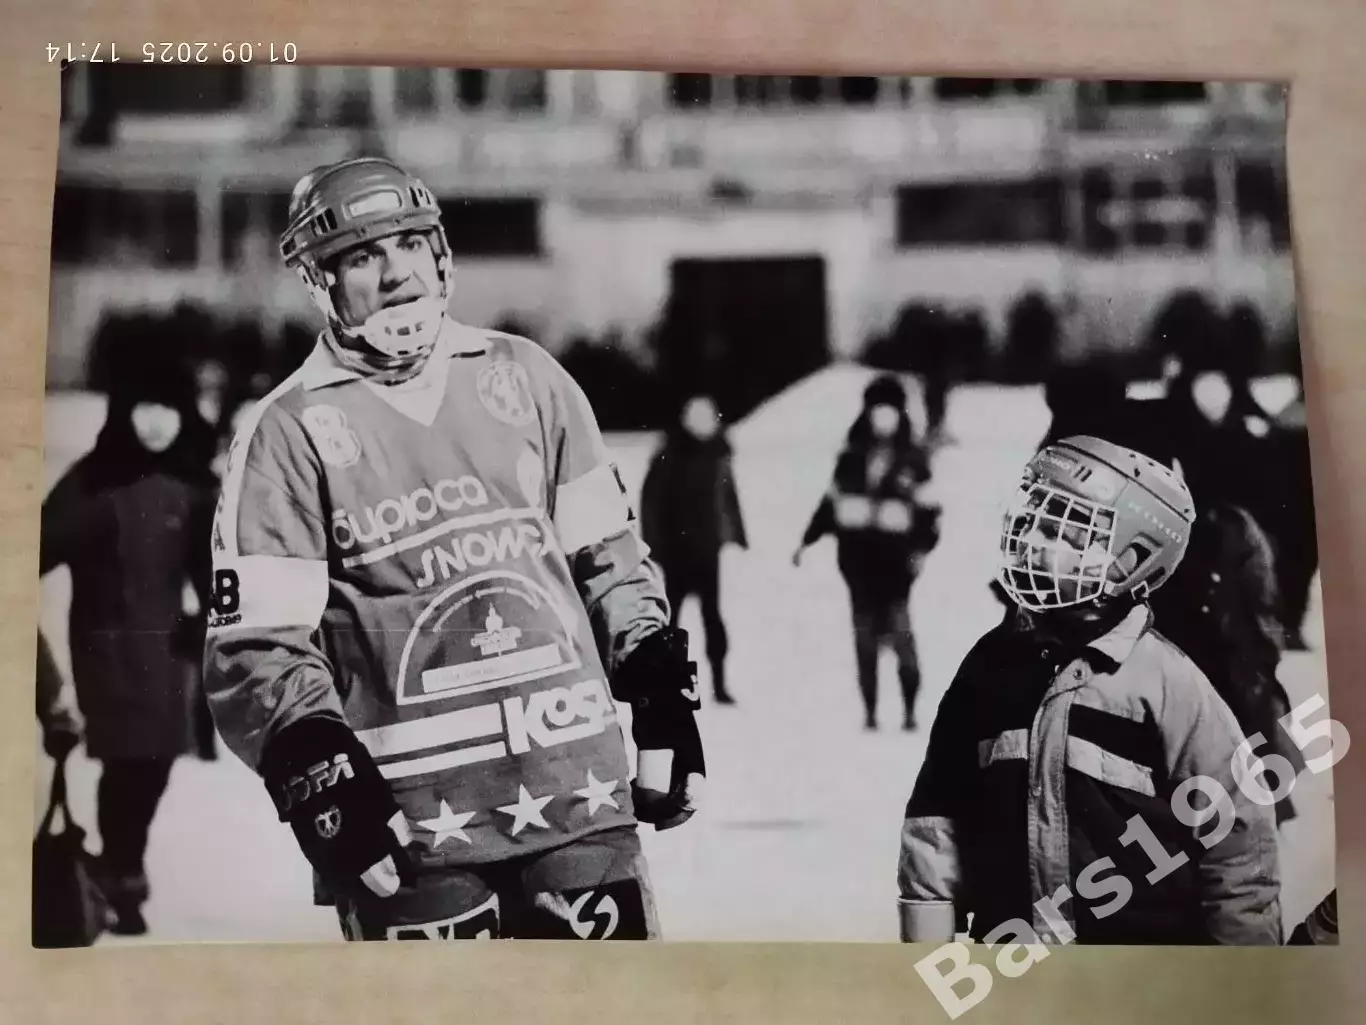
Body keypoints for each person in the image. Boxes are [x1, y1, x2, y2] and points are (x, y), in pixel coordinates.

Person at [202, 157, 705, 943]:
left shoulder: (529, 378)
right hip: (410, 831)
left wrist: (658, 687)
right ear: (321, 283)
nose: (396, 273)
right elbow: (258, 649)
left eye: (408, 244)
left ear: (440, 253)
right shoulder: (287, 432)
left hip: (577, 798)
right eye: (362, 256)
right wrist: (319, 774)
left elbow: (611, 557)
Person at [896, 436, 1282, 945]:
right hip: (1015, 966)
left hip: (1139, 978)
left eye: (1070, 535)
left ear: (1133, 558)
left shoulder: (1168, 684)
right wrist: (925, 956)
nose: (1037, 543)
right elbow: (935, 820)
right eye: (1037, 524)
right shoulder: (988, 668)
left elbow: (1237, 847)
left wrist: (1244, 987)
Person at [40, 353, 215, 936]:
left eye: (169, 406)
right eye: (146, 406)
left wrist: (211, 617)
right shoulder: (93, 479)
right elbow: (36, 549)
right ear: (125, 410)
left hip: (169, 653)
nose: (158, 421)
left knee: (155, 766)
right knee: (126, 764)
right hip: (106, 650)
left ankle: (118, 869)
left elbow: (215, 569)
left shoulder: (193, 483)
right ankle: (122, 876)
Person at [793, 374, 939, 731]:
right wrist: (806, 541)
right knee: (864, 641)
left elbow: (930, 514)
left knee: (902, 637)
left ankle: (908, 711)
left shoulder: (914, 460)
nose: (882, 416)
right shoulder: (851, 456)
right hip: (857, 565)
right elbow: (829, 506)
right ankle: (871, 711)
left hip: (896, 567)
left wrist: (921, 549)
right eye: (877, 408)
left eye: (889, 408)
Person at [638, 394, 748, 705]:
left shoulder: (718, 455)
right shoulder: (669, 455)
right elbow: (652, 502)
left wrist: (737, 534)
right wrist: (654, 544)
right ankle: (671, 683)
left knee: (712, 616)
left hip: (707, 551)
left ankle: (719, 683)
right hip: (676, 552)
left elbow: (727, 497)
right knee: (672, 620)